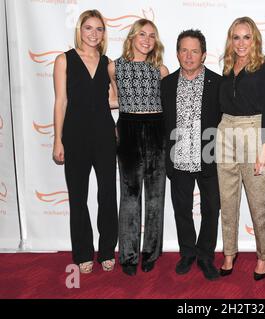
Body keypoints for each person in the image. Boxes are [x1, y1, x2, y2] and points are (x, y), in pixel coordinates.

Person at [52, 9, 118, 274]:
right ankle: (82, 252)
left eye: (99, 29)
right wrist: (58, 139)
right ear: (80, 30)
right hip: (75, 135)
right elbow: (60, 102)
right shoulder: (63, 60)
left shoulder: (108, 63)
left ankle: (106, 251)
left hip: (104, 134)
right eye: (88, 28)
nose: (94, 33)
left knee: (107, 194)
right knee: (78, 197)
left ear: (104, 34)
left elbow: (114, 99)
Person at [217, 17, 265, 281]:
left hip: (255, 132)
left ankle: (264, 255)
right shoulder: (227, 67)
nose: (241, 43)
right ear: (230, 40)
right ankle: (229, 252)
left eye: (246, 37)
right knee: (227, 201)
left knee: (260, 202)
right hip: (224, 131)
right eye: (236, 37)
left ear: (255, 39)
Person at [108, 19, 169, 276]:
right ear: (132, 37)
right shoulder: (114, 66)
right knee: (130, 197)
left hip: (157, 130)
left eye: (152, 35)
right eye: (142, 34)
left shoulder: (161, 69)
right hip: (129, 129)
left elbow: (167, 106)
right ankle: (128, 256)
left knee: (155, 197)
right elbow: (111, 98)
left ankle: (151, 253)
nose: (146, 39)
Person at [161, 29, 222, 281]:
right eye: (183, 50)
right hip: (178, 156)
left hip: (209, 156)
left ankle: (206, 255)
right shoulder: (165, 84)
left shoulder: (218, 83)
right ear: (177, 54)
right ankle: (187, 252)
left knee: (211, 208)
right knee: (182, 209)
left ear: (204, 55)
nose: (188, 55)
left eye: (194, 51)